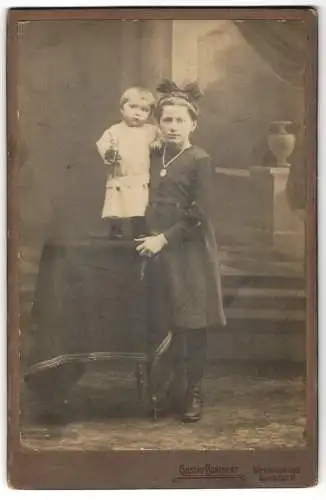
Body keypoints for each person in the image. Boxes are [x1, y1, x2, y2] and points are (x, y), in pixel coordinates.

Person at [135, 80, 227, 423]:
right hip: (155, 247)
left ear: (193, 125)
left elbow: (200, 214)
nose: (172, 126)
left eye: (179, 121)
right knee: (164, 319)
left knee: (192, 322)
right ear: (158, 122)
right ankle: (168, 389)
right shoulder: (154, 154)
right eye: (167, 120)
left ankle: (193, 392)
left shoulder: (200, 159)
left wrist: (165, 238)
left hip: (188, 250)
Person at [96, 86, 162, 239]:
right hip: (120, 175)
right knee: (116, 207)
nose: (138, 113)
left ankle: (138, 230)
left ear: (150, 114)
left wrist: (158, 142)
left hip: (139, 176)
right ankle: (115, 231)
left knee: (139, 206)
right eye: (133, 107)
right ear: (122, 108)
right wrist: (110, 153)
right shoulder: (114, 131)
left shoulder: (151, 131)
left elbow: (163, 138)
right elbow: (103, 144)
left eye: (144, 110)